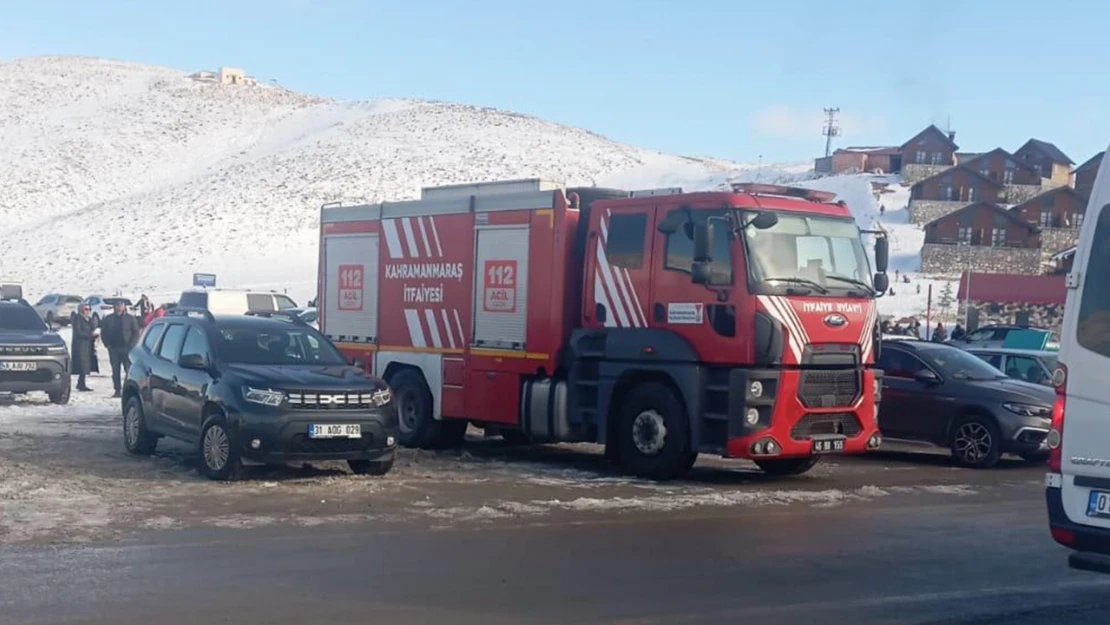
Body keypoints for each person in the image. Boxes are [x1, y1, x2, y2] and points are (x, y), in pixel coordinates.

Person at [101, 299, 141, 398]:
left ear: (124, 306)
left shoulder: (130, 318)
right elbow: (103, 332)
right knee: (115, 371)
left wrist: (131, 345)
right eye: (117, 305)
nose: (119, 307)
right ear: (114, 307)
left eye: (121, 305)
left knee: (128, 370)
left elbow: (136, 332)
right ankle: (117, 390)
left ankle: (128, 390)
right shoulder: (108, 319)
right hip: (114, 348)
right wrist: (107, 344)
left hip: (127, 348)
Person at [71, 304, 98, 391]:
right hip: (80, 345)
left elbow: (93, 328)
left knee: (86, 365)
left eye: (89, 309)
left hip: (88, 345)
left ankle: (81, 383)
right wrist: (90, 335)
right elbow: (78, 333)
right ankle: (81, 384)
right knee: (82, 365)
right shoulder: (78, 319)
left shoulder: (89, 320)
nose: (87, 311)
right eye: (85, 309)